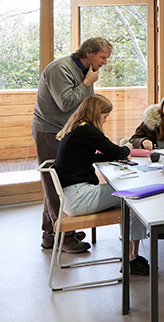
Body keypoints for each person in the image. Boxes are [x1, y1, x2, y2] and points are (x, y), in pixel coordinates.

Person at [32, 36, 113, 252]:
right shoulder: (61, 69)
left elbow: (86, 105)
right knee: (55, 183)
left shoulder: (87, 72)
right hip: (49, 130)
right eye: (103, 57)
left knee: (57, 182)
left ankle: (51, 234)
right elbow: (66, 102)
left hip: (66, 131)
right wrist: (87, 83)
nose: (105, 62)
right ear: (89, 53)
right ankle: (65, 236)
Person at [54, 94, 150, 275]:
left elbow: (92, 156)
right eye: (105, 116)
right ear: (96, 113)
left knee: (129, 195)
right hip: (79, 198)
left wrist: (118, 154)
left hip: (72, 196)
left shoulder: (75, 129)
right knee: (133, 195)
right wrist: (127, 148)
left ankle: (132, 256)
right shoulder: (87, 130)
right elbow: (116, 150)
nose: (105, 121)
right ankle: (132, 259)